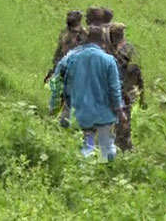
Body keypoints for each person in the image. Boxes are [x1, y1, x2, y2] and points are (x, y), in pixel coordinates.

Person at [49, 26, 127, 161]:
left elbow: (56, 82)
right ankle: (105, 175)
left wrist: (54, 106)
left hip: (79, 113)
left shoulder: (71, 58)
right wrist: (120, 111)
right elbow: (115, 90)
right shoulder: (109, 61)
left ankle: (83, 169)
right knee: (107, 149)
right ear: (104, 41)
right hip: (104, 115)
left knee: (86, 146)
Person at [109, 23, 145, 152]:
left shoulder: (105, 51)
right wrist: (141, 96)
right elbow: (137, 74)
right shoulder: (128, 50)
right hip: (124, 93)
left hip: (110, 93)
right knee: (123, 122)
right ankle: (123, 147)